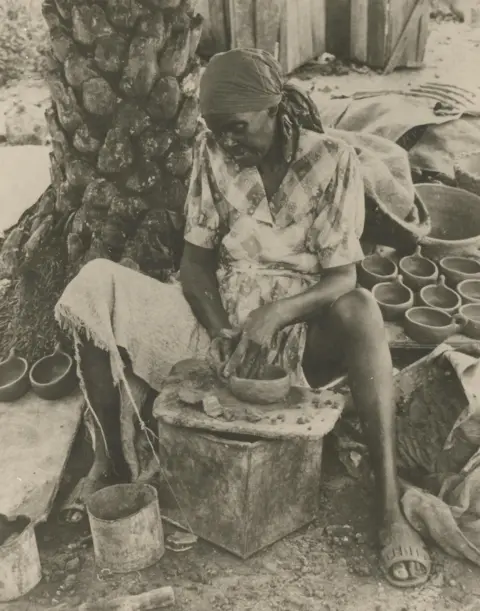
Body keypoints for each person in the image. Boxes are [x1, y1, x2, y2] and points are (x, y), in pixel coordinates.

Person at [55, 48, 431, 587]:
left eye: (235, 127)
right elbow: (195, 266)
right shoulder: (212, 154)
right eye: (215, 129)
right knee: (94, 283)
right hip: (223, 325)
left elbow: (341, 278)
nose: (227, 141)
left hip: (302, 331)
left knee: (363, 307)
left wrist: (275, 315)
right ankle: (114, 465)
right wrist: (221, 330)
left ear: (274, 109)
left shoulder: (333, 160)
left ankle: (388, 506)